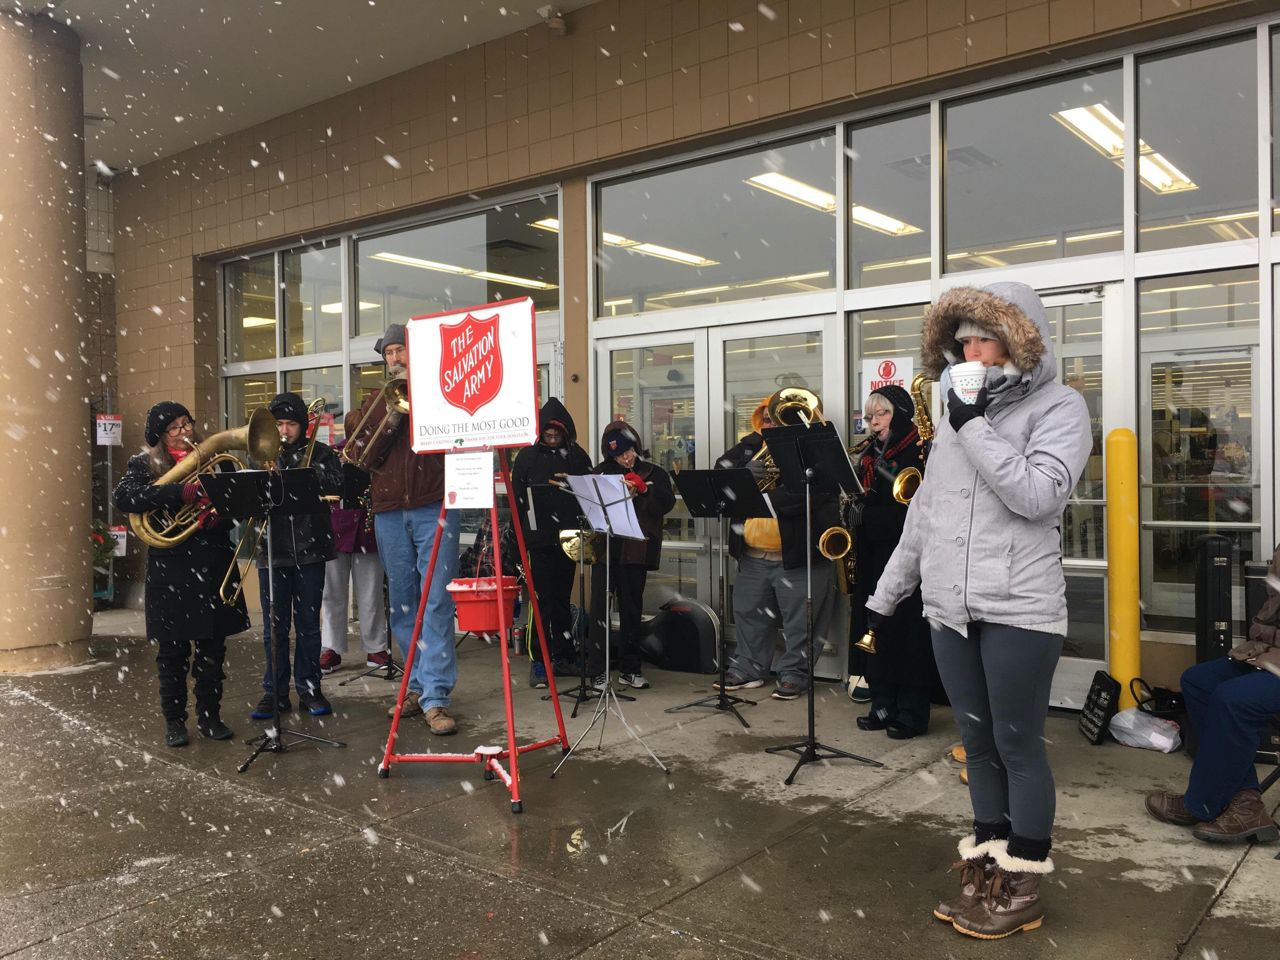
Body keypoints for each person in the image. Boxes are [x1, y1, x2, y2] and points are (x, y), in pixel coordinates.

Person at [867, 282, 1092, 940]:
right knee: (979, 745)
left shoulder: (1061, 406)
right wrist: (887, 595)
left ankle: (1023, 877)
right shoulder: (953, 412)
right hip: (950, 608)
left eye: (983, 338)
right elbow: (926, 516)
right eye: (961, 340)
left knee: (1018, 744)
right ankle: (990, 862)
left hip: (1020, 605)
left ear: (1017, 339)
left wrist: (972, 425)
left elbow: (1037, 494)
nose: (971, 350)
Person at [113, 401, 249, 748]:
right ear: (160, 436)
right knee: (172, 655)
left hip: (214, 563)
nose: (184, 431)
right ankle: (175, 721)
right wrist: (178, 491)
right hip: (171, 570)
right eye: (174, 427)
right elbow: (125, 497)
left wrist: (220, 517)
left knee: (212, 651)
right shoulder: (143, 464)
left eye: (186, 423)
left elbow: (238, 507)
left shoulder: (212, 461)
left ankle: (210, 716)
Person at [349, 323, 462, 736]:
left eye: (402, 351)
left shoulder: (441, 392)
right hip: (390, 511)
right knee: (402, 602)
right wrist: (392, 410)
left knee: (436, 601)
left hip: (435, 506)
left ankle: (436, 697)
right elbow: (360, 456)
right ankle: (416, 684)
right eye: (390, 353)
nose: (396, 359)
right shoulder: (371, 404)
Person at [1146, 540, 1280, 844]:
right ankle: (1240, 801)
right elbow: (1271, 609)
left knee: (1233, 700)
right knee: (1199, 682)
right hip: (1273, 653)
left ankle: (1205, 801)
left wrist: (1265, 635)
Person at [713, 399, 841, 701]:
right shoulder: (749, 446)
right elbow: (720, 472)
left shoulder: (812, 450)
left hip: (797, 555)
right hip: (753, 555)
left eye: (778, 419)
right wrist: (744, 472)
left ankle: (795, 674)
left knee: (802, 621)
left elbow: (815, 493)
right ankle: (748, 668)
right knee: (749, 616)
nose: (771, 425)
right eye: (767, 419)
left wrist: (769, 497)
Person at [848, 384, 936, 739]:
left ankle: (912, 712)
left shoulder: (920, 453)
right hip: (873, 555)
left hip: (907, 559)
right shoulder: (870, 453)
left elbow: (916, 516)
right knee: (875, 632)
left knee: (907, 636)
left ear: (899, 414)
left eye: (880, 414)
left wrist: (867, 518)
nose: (873, 422)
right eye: (869, 416)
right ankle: (881, 704)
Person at [252, 392, 343, 720]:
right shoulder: (260, 454)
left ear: (303, 425)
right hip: (272, 551)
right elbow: (249, 499)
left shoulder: (321, 453)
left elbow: (337, 486)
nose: (285, 430)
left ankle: (309, 688)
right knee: (273, 627)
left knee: (308, 624)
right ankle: (273, 692)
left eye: (291, 424)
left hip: (310, 549)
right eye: (279, 424)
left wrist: (308, 477)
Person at [509, 397, 593, 688]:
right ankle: (539, 660)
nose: (552, 436)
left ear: (566, 431)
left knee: (561, 601)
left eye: (557, 432)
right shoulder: (527, 458)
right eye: (548, 432)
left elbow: (590, 494)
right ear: (541, 432)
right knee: (540, 602)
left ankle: (564, 655)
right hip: (538, 541)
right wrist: (517, 539)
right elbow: (516, 501)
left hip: (568, 539)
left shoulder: (578, 457)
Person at [587, 421, 675, 691]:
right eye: (618, 454)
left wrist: (645, 490)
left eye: (629, 451)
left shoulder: (653, 472)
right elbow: (589, 505)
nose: (626, 458)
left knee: (631, 610)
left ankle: (630, 668)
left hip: (635, 549)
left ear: (636, 447)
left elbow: (666, 504)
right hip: (605, 549)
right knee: (600, 610)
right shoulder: (601, 473)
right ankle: (598, 672)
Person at [319, 437, 389, 674]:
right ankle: (331, 646)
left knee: (370, 592)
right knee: (331, 593)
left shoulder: (377, 447)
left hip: (366, 527)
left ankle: (376, 646)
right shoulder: (331, 452)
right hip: (334, 527)